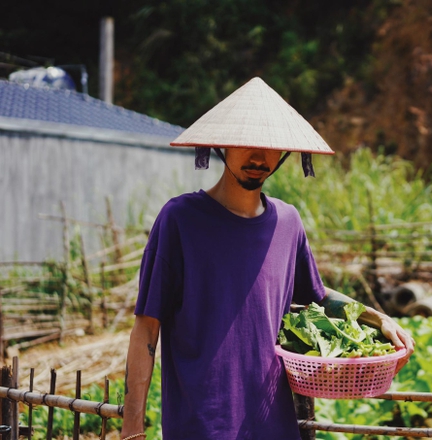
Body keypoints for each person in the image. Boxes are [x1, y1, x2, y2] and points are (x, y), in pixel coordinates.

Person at [120, 77, 415, 440]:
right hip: (202, 425)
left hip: (273, 424)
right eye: (247, 144)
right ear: (222, 145)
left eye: (271, 147)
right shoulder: (180, 220)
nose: (260, 158)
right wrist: (132, 429)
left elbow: (317, 297)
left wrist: (379, 318)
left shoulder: (288, 222)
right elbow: (147, 327)